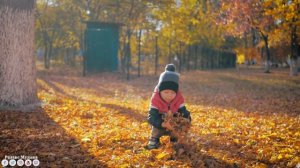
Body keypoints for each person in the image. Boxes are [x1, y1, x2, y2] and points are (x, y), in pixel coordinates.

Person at [146, 64, 191, 149]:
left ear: (176, 92)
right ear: (160, 91)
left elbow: (184, 112)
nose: (169, 95)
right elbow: (151, 117)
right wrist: (163, 124)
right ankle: (154, 139)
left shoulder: (178, 99)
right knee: (156, 127)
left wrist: (187, 119)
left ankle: (174, 139)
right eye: (166, 92)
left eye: (172, 93)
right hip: (160, 122)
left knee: (178, 128)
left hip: (173, 123)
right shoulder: (156, 100)